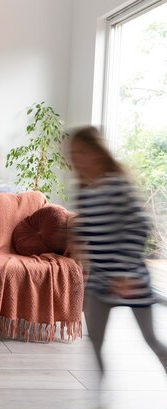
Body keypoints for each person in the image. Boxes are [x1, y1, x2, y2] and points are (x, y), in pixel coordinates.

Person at [69, 126, 167, 385]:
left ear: (97, 153)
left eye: (81, 152)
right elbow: (91, 229)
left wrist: (124, 271)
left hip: (130, 279)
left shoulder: (116, 185)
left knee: (150, 339)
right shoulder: (85, 191)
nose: (75, 158)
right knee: (95, 341)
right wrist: (78, 240)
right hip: (101, 280)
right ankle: (100, 402)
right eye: (72, 153)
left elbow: (141, 225)